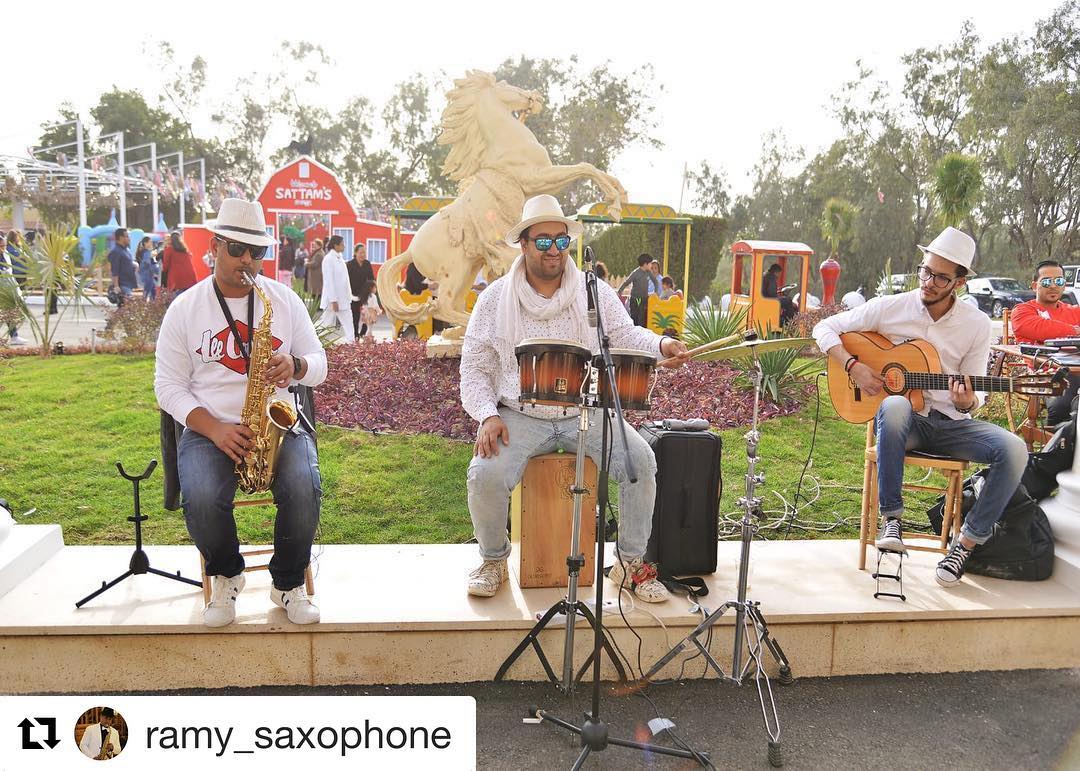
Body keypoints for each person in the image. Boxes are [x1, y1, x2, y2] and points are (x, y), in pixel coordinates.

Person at [460, 194, 691, 602]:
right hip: (519, 413)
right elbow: (475, 366)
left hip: (587, 408)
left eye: (561, 241)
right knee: (485, 475)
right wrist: (486, 415)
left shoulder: (593, 291)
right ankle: (493, 560)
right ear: (524, 244)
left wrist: (661, 345)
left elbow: (624, 335)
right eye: (543, 241)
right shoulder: (495, 298)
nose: (554, 250)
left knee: (641, 462)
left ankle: (630, 564)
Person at [812, 226, 1028, 587]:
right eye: (925, 271)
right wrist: (854, 366)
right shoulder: (890, 307)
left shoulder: (976, 324)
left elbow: (976, 389)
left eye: (940, 277)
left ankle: (966, 544)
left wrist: (968, 401)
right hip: (904, 424)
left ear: (959, 282)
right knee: (896, 405)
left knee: (1015, 449)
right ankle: (892, 521)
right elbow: (824, 328)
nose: (928, 282)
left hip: (952, 425)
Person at [154, 198, 326, 627]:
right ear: (214, 247)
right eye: (236, 248)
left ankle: (287, 583)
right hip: (211, 427)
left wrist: (297, 365)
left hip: (274, 423)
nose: (248, 260)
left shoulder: (282, 300)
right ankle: (227, 575)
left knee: (304, 486)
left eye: (257, 251)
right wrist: (214, 429)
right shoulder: (185, 309)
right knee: (201, 496)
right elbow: (167, 387)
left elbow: (319, 363)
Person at [1009, 259, 1080, 425]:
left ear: (1064, 285)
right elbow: (1040, 328)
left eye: (1059, 281)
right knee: (1062, 404)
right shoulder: (1023, 311)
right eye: (1047, 282)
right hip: (1046, 374)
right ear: (1035, 286)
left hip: (1077, 369)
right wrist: (1075, 330)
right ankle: (1056, 440)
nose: (1053, 286)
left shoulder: (1074, 311)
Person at [319, 235, 353, 343]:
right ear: (335, 245)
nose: (344, 246)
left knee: (348, 323)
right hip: (332, 300)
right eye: (342, 244)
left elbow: (344, 280)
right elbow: (329, 281)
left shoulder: (340, 258)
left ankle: (351, 343)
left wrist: (349, 296)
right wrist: (333, 300)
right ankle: (318, 345)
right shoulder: (328, 259)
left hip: (343, 298)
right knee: (326, 324)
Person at [617, 253, 660, 327]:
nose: (651, 266)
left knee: (642, 318)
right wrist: (619, 292)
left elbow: (655, 282)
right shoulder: (635, 273)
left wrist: (655, 292)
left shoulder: (648, 272)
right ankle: (634, 330)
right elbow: (626, 282)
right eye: (650, 264)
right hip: (635, 299)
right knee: (634, 317)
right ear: (645, 264)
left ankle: (641, 331)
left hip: (643, 299)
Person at [0, 233, 27, 345]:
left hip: (7, 288)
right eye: (1, 246)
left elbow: (9, 271)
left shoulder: (5, 254)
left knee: (9, 313)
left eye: (4, 245)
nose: (3, 248)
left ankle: (14, 336)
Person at [347, 242, 376, 338]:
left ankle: (363, 332)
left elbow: (371, 278)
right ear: (355, 253)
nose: (363, 254)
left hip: (365, 293)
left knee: (367, 314)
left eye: (364, 252)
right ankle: (355, 335)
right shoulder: (350, 264)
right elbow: (346, 280)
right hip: (353, 294)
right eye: (360, 252)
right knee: (355, 316)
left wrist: (373, 287)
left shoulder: (367, 264)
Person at [108, 228, 138, 306]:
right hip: (122, 285)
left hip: (129, 284)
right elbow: (114, 270)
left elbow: (127, 263)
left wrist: (134, 265)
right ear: (121, 238)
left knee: (124, 308)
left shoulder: (126, 250)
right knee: (128, 306)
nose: (129, 238)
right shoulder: (115, 251)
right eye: (127, 236)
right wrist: (116, 286)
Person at [162, 230, 197, 295]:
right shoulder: (185, 249)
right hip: (189, 277)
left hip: (177, 280)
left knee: (177, 299)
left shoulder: (169, 249)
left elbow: (165, 267)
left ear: (171, 240)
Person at [136, 236, 158, 301]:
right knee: (147, 292)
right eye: (150, 242)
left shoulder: (144, 252)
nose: (151, 243)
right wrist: (156, 270)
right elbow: (147, 263)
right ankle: (144, 304)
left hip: (147, 274)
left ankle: (151, 304)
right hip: (147, 274)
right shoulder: (146, 252)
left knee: (153, 291)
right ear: (145, 243)